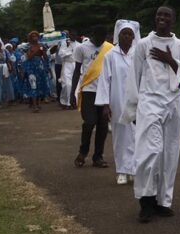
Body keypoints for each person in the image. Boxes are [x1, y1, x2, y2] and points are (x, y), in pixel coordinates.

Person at [123, 7, 180, 223]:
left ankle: (163, 200)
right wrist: (133, 108)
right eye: (159, 15)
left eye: (167, 16)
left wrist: (170, 60)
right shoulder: (143, 44)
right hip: (149, 102)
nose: (162, 18)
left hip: (173, 102)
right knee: (149, 151)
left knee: (169, 152)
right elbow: (134, 77)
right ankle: (146, 200)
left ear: (173, 20)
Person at [96, 20, 140, 185]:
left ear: (134, 37)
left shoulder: (138, 54)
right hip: (118, 100)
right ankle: (122, 170)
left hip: (137, 101)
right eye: (124, 34)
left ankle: (134, 170)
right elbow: (105, 81)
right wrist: (105, 104)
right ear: (118, 35)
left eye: (130, 34)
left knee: (137, 136)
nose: (127, 37)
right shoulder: (110, 56)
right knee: (120, 136)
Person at [72, 26, 114, 168]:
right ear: (92, 35)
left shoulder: (109, 48)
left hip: (105, 91)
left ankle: (98, 157)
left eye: (102, 39)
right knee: (89, 122)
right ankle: (83, 152)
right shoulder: (82, 48)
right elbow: (77, 71)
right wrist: (74, 92)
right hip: (88, 90)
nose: (100, 41)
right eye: (97, 38)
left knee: (103, 126)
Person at [23, 32, 51, 112]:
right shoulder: (28, 46)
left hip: (40, 66)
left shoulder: (41, 45)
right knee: (33, 85)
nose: (35, 37)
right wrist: (37, 50)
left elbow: (45, 57)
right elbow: (29, 57)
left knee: (39, 84)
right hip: (31, 67)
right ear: (30, 38)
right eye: (33, 36)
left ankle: (38, 104)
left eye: (36, 36)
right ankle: (34, 105)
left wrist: (44, 51)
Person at [58, 31, 79, 109]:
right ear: (69, 35)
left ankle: (73, 102)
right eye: (71, 35)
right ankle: (66, 102)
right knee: (67, 84)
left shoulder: (79, 44)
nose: (73, 36)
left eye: (75, 35)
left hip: (76, 65)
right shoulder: (64, 43)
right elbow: (61, 54)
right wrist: (69, 50)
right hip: (67, 64)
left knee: (75, 84)